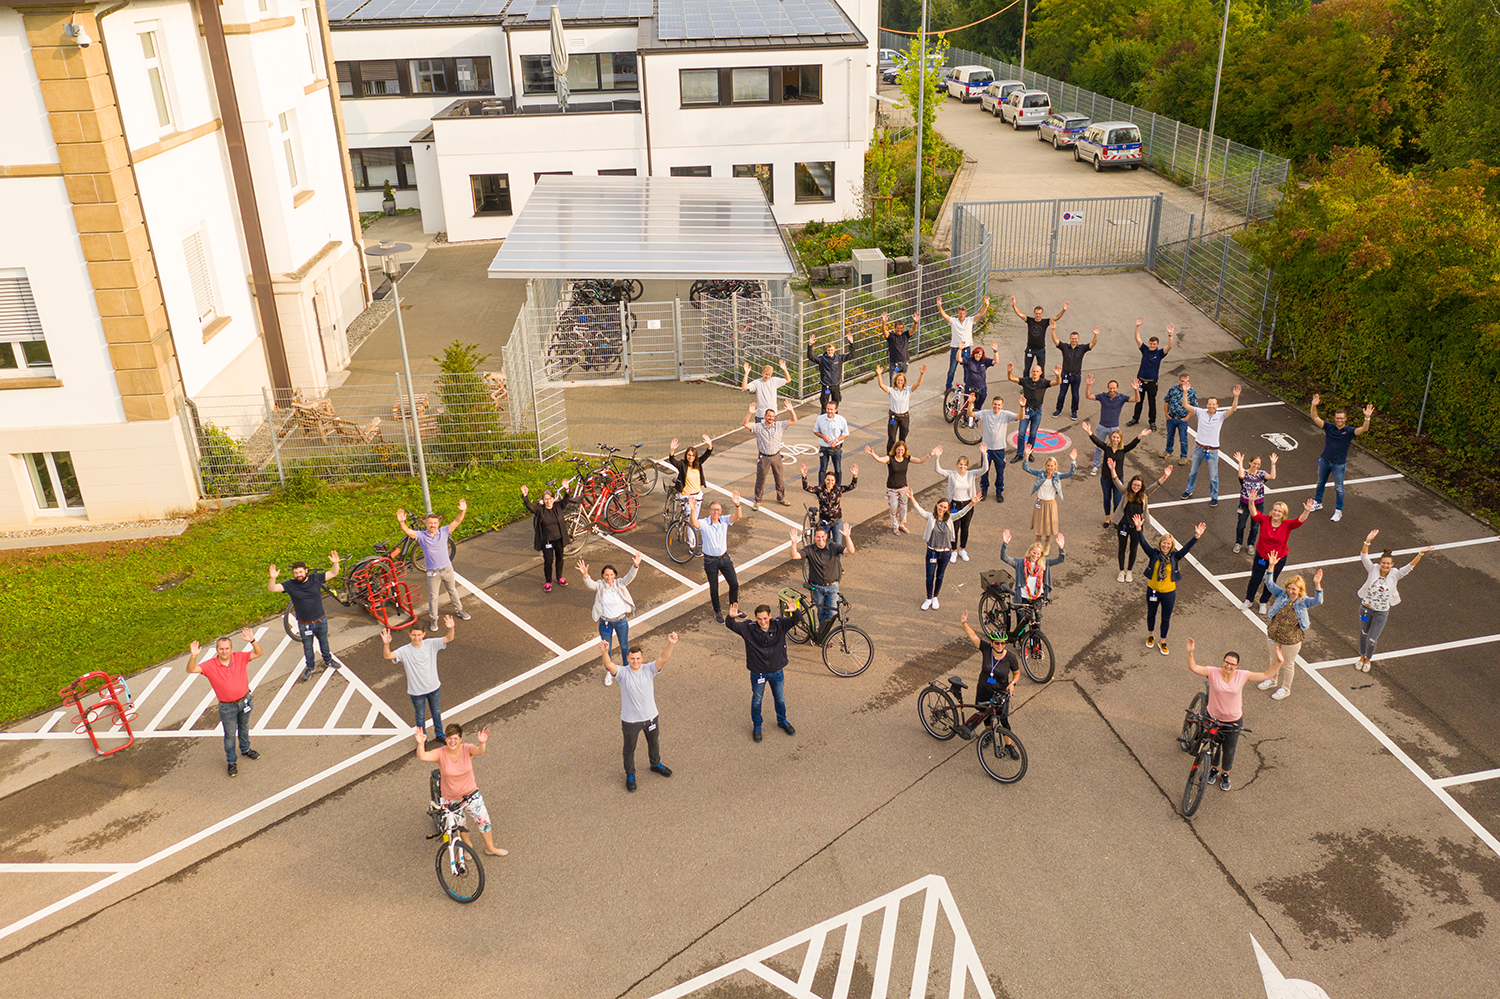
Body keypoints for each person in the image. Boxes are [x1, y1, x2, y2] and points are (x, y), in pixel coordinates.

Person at [1184, 638, 1281, 791]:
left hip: (1233, 720)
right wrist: (1190, 653)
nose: (1228, 666)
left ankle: (1225, 774)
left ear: (1237, 666)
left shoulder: (1241, 675)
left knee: (1229, 749)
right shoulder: (1213, 672)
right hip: (1213, 718)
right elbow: (1194, 667)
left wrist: (1279, 663)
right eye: (1226, 662)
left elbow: (1265, 675)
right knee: (1214, 745)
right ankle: (1214, 769)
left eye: (1232, 664)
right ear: (1223, 661)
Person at [598, 632, 679, 791]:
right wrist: (604, 651)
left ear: (642, 659)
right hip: (630, 721)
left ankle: (655, 764)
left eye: (638, 658)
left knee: (654, 743)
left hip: (650, 717)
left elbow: (664, 659)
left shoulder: (649, 669)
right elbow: (608, 665)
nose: (635, 661)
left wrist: (671, 644)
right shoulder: (622, 673)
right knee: (629, 749)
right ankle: (630, 774)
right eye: (632, 658)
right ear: (627, 659)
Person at [413, 722, 506, 856]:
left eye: (455, 738)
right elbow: (422, 756)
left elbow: (480, 751)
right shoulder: (440, 753)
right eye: (450, 738)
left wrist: (482, 743)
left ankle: (490, 848)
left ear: (460, 739)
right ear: (446, 739)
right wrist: (420, 743)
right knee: (460, 826)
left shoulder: (467, 749)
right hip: (451, 798)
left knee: (484, 821)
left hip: (471, 794)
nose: (452, 741)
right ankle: (467, 847)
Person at [186, 629, 263, 777]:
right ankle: (231, 761)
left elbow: (259, 653)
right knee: (229, 735)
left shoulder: (240, 657)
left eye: (227, 648)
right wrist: (194, 656)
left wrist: (253, 641)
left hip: (245, 701)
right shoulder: (210, 665)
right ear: (217, 650)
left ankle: (246, 749)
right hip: (227, 707)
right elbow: (190, 669)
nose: (224, 651)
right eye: (221, 649)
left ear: (231, 649)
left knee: (244, 726)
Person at [725, 600, 803, 742]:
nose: (762, 622)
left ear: (770, 616)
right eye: (759, 619)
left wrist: (795, 610)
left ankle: (782, 720)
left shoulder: (779, 624)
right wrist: (731, 617)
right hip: (758, 672)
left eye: (765, 618)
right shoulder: (748, 628)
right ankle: (757, 725)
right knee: (757, 700)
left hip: (777, 671)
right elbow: (732, 625)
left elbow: (796, 619)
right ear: (755, 618)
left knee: (780, 698)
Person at [1355, 530, 1432, 672]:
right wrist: (1368, 541)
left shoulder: (1395, 574)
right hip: (1365, 609)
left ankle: (1368, 659)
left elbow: (1409, 567)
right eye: (1383, 563)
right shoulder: (1373, 569)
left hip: (1381, 613)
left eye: (1388, 564)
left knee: (1372, 638)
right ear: (1380, 563)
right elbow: (1364, 556)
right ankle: (1361, 656)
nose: (1385, 566)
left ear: (1392, 564)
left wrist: (1420, 554)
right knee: (1363, 633)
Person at [1129, 515, 1205, 656]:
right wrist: (1139, 529)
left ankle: (1162, 641)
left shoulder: (1175, 557)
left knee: (1166, 617)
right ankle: (1151, 635)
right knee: (1151, 614)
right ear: (1160, 544)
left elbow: (1186, 549)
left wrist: (1196, 536)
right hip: (1153, 590)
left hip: (1169, 593)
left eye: (1168, 544)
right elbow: (1143, 543)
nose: (1166, 545)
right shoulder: (1153, 554)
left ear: (1172, 546)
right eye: (1164, 543)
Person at [956, 609, 1022, 756]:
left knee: (1003, 720)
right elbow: (973, 636)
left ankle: (1009, 746)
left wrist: (1013, 683)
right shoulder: (986, 649)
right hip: (984, 690)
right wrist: (964, 624)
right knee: (985, 715)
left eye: (1003, 643)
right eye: (997, 643)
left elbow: (1017, 673)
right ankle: (988, 735)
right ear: (991, 642)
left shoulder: (1010, 658)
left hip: (1000, 694)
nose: (1000, 646)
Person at [268, 552, 342, 682]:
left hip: (320, 620)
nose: (298, 575)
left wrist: (336, 563)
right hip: (304, 623)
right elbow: (272, 588)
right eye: (296, 573)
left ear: (306, 571)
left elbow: (333, 573)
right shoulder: (290, 585)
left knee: (324, 642)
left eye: (300, 572)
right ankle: (310, 667)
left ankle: (328, 660)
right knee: (308, 646)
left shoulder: (316, 578)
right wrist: (272, 578)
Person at [1256, 562, 1325, 701]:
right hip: (1274, 634)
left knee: (1288, 664)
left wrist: (1317, 585)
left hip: (1291, 640)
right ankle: (1272, 680)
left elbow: (1318, 601)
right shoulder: (1281, 594)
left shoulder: (1304, 601)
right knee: (1273, 659)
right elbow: (1269, 584)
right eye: (1289, 588)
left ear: (1300, 590)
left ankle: (1285, 688)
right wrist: (1271, 567)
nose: (1291, 591)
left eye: (1294, 589)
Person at [383, 615, 455, 746]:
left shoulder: (431, 644)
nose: (416, 638)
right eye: (414, 635)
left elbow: (449, 638)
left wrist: (451, 628)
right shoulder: (404, 650)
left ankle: (440, 734)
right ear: (409, 635)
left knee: (436, 712)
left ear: (424, 634)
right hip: (417, 692)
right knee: (420, 717)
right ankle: (423, 740)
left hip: (433, 687)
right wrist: (386, 644)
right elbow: (388, 655)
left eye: (419, 635)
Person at [396, 502, 469, 630]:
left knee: (453, 590)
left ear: (438, 524)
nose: (432, 525)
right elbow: (408, 531)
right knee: (433, 596)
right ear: (426, 524)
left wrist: (463, 511)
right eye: (430, 523)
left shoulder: (444, 532)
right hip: (432, 572)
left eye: (435, 523)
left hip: (447, 569)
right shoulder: (421, 536)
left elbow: (457, 521)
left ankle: (460, 610)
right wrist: (402, 522)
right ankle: (434, 619)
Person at [578, 553, 643, 685]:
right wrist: (585, 574)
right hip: (605, 623)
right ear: (602, 575)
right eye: (606, 575)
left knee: (625, 646)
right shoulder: (600, 585)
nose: (609, 577)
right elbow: (590, 584)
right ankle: (610, 671)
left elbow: (629, 577)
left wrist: (635, 565)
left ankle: (626, 670)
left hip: (621, 621)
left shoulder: (619, 583)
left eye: (611, 574)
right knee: (606, 649)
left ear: (615, 575)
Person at [1105, 457, 1172, 582]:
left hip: (1137, 527)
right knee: (1122, 548)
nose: (1136, 487)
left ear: (1142, 487)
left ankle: (1129, 571)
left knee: (1134, 548)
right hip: (1124, 525)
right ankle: (1121, 571)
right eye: (1134, 485)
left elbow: (1156, 485)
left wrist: (1165, 476)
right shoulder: (1126, 492)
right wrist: (1112, 469)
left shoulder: (1144, 494)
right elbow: (1116, 481)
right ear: (1131, 484)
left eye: (1138, 485)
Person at [1242, 498, 1315, 613]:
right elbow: (1254, 513)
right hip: (1262, 558)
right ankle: (1249, 599)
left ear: (1283, 514)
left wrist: (1306, 511)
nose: (1276, 513)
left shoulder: (1287, 524)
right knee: (1255, 579)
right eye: (1275, 510)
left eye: (1279, 511)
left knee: (1270, 581)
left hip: (1277, 560)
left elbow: (1299, 521)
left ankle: (1263, 602)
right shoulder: (1265, 520)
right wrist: (1251, 502)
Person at [1310, 394, 1374, 522]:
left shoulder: (1349, 432)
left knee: (1339, 488)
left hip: (1338, 464)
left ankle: (1338, 511)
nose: (1339, 420)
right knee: (1320, 483)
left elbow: (1363, 429)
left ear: (1345, 419)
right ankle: (1317, 502)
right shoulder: (1329, 427)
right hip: (1324, 461)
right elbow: (1315, 417)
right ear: (1334, 418)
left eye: (1341, 418)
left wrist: (1367, 417)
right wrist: (1314, 405)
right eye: (1337, 418)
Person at [906, 488, 970, 610]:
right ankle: (928, 598)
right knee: (929, 576)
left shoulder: (950, 519)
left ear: (948, 510)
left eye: (945, 508)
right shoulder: (930, 517)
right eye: (941, 506)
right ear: (937, 505)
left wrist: (972, 503)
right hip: (932, 552)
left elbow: (962, 513)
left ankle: (935, 597)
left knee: (940, 575)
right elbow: (919, 510)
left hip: (945, 553)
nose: (942, 509)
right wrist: (911, 497)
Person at [1179, 385, 1242, 506]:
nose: (1211, 406)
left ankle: (1214, 496)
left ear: (1217, 406)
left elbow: (1233, 409)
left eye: (1214, 404)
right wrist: (1185, 392)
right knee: (1193, 471)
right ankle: (1189, 490)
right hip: (1199, 447)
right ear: (1206, 404)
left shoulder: (1221, 416)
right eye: (1209, 404)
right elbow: (1185, 405)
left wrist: (1236, 396)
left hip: (1212, 451)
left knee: (1213, 476)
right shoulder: (1200, 412)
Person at [1082, 421, 1151, 526]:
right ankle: (1107, 519)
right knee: (1106, 498)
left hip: (1118, 480)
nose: (1115, 439)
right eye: (1114, 437)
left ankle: (1116, 519)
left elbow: (1133, 444)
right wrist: (1089, 432)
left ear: (1120, 439)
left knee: (1118, 500)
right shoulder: (1107, 448)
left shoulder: (1123, 450)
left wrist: (1140, 436)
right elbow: (1097, 442)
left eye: (1117, 438)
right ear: (1111, 438)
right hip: (1105, 478)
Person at [789, 522, 853, 632]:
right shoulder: (809, 549)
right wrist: (794, 543)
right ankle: (822, 634)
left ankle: (822, 632)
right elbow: (794, 556)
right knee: (821, 611)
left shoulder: (833, 546)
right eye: (818, 537)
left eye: (823, 537)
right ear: (814, 537)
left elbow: (851, 550)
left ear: (826, 536)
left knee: (832, 613)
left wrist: (847, 537)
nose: (820, 539)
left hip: (833, 587)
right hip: (817, 588)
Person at [862, 440, 932, 534]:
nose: (900, 452)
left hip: (904, 488)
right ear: (895, 450)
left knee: (904, 508)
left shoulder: (907, 458)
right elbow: (879, 459)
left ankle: (902, 524)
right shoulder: (890, 458)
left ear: (905, 450)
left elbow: (920, 461)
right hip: (892, 488)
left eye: (902, 450)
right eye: (898, 450)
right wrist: (872, 453)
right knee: (893, 508)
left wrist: (929, 455)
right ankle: (895, 526)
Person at [932, 445, 986, 561]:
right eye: (961, 464)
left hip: (968, 504)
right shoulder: (952, 474)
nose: (963, 466)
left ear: (967, 466)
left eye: (965, 465)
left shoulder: (971, 474)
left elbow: (984, 469)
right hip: (954, 504)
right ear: (957, 464)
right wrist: (937, 457)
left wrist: (984, 454)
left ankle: (963, 549)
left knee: (965, 527)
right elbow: (938, 470)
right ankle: (954, 550)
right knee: (954, 528)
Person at [697, 492, 744, 623]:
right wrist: (693, 509)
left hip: (724, 558)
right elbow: (694, 523)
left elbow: (738, 516)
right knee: (714, 587)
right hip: (710, 560)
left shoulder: (724, 520)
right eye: (713, 510)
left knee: (734, 583)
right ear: (709, 511)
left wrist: (737, 504)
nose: (715, 512)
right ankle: (717, 611)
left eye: (718, 510)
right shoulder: (704, 523)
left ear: (721, 511)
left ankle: (733, 607)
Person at [1021, 447, 1078, 556]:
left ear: (1055, 466)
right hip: (1040, 502)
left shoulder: (1058, 476)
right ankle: (1037, 544)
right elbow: (1026, 468)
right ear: (1045, 466)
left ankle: (1047, 544)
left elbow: (1071, 473)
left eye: (1052, 466)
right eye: (1048, 465)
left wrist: (1073, 461)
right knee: (1038, 524)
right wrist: (1026, 456)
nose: (1050, 467)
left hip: (1051, 504)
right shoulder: (1040, 473)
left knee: (1049, 525)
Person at [1083, 374, 1142, 475]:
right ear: (1108, 388)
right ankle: (1096, 466)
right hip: (1102, 426)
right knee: (1098, 447)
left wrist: (1136, 390)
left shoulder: (1122, 397)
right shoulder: (1102, 396)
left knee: (1116, 448)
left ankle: (1113, 467)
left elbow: (1137, 400)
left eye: (1114, 388)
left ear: (1117, 388)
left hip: (1114, 428)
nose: (1112, 390)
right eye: (1110, 388)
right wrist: (1088, 385)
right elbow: (1088, 396)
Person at [520, 482, 573, 592]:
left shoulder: (558, 506)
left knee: (560, 558)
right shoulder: (540, 510)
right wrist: (525, 496)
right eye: (546, 499)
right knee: (548, 561)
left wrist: (567, 488)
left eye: (550, 498)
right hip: (547, 541)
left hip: (558, 539)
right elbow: (530, 506)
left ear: (553, 499)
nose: (548, 501)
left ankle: (559, 577)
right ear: (543, 501)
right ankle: (548, 581)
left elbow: (567, 499)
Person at [744, 401, 798, 506]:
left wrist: (791, 410)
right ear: (765, 416)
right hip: (764, 457)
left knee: (779, 478)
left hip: (776, 456)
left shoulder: (779, 425)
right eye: (769, 416)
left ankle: (781, 498)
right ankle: (758, 500)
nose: (771, 418)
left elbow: (794, 420)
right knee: (761, 479)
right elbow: (745, 424)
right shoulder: (758, 427)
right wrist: (750, 413)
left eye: (773, 416)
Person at [1007, 361, 1063, 460]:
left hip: (1037, 411)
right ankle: (1019, 454)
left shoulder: (1043, 382)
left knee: (1033, 434)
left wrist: (1058, 376)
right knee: (1021, 433)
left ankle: (1029, 453)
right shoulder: (1026, 381)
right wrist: (1009, 372)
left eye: (1037, 371)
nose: (1035, 373)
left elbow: (1057, 382)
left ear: (1040, 373)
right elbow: (1011, 378)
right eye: (1033, 371)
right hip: (1026, 410)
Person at [938, 294, 991, 393]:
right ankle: (948, 387)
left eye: (963, 313)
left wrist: (986, 305)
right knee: (952, 369)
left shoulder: (970, 321)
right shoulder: (953, 321)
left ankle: (968, 387)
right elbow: (944, 315)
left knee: (967, 370)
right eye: (960, 313)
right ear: (957, 314)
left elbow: (980, 314)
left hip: (966, 349)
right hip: (955, 349)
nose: (961, 315)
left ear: (966, 314)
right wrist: (939, 306)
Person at [665, 434, 714, 541]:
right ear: (686, 455)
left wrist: (709, 444)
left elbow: (707, 453)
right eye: (689, 455)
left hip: (698, 495)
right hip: (687, 497)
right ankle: (692, 545)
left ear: (695, 456)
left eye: (692, 455)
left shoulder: (698, 463)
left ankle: (691, 540)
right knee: (692, 522)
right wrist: (672, 450)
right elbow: (672, 461)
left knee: (694, 520)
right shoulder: (682, 465)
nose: (690, 457)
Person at [800, 463, 859, 550]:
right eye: (828, 480)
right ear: (824, 480)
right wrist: (804, 476)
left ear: (835, 481)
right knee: (823, 544)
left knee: (838, 546)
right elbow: (807, 488)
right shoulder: (820, 490)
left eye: (832, 480)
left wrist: (855, 476)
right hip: (824, 522)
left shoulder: (838, 489)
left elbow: (851, 486)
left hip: (837, 521)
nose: (830, 482)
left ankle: (837, 562)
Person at [1128, 320, 1174, 429]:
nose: (1152, 345)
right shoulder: (1145, 350)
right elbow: (1137, 338)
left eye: (1154, 344)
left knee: (1152, 403)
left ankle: (1152, 422)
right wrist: (1136, 326)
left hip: (1152, 383)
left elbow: (1170, 346)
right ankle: (1135, 418)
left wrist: (1170, 334)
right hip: (1141, 382)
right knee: (1138, 401)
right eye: (1151, 343)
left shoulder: (1159, 354)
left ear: (1157, 345)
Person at [1000, 529, 1066, 602]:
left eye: (1038, 554)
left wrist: (1061, 548)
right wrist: (1005, 544)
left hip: (1037, 597)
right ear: (1030, 551)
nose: (1036, 556)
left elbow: (1060, 559)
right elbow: (1004, 557)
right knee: (1021, 613)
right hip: (1023, 597)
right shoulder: (1020, 563)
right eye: (1034, 553)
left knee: (1038, 614)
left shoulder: (1044, 563)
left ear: (1041, 555)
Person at [1008, 295, 1068, 375]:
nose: (1038, 315)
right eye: (1036, 313)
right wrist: (1014, 306)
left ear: (1042, 314)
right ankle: (1026, 386)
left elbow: (1056, 317)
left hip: (1040, 349)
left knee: (1041, 369)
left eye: (1039, 314)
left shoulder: (1045, 322)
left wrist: (1063, 310)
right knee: (1027, 369)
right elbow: (1020, 314)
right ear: (1034, 313)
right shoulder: (1030, 320)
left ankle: (1041, 386)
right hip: (1030, 349)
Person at [1231, 451, 1277, 554]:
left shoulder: (1261, 474)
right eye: (1254, 463)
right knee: (1241, 525)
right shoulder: (1245, 474)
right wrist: (1240, 462)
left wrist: (1273, 463)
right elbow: (1241, 475)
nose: (1256, 466)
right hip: (1244, 504)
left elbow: (1273, 477)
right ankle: (1238, 543)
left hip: (1258, 505)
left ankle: (1250, 544)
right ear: (1250, 463)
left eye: (1258, 464)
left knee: (1255, 527)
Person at [1050, 323, 1098, 420]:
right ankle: (1058, 410)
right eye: (1072, 338)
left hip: (1076, 376)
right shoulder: (1065, 347)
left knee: (1075, 395)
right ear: (1070, 339)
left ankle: (1074, 411)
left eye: (1075, 338)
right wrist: (1053, 330)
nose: (1074, 340)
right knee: (1061, 394)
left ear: (1078, 339)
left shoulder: (1082, 348)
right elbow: (1055, 341)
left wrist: (1096, 335)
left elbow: (1092, 344)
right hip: (1065, 376)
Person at [876, 363, 926, 451]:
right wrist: (879, 374)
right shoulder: (891, 390)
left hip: (904, 417)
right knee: (892, 438)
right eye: (898, 380)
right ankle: (890, 455)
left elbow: (918, 384)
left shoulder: (907, 390)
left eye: (901, 380)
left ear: (904, 381)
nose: (900, 382)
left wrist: (921, 374)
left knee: (903, 438)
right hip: (894, 417)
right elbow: (881, 385)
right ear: (895, 381)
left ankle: (902, 454)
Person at [979, 394, 1018, 503]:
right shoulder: (986, 413)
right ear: (992, 404)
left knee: (1000, 473)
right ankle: (984, 490)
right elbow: (970, 414)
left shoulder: (1006, 415)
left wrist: (1022, 407)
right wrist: (971, 402)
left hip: (999, 450)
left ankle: (999, 492)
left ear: (1002, 405)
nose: (997, 406)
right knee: (984, 471)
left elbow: (1020, 417)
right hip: (986, 449)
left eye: (999, 405)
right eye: (995, 404)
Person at [807, 331, 855, 408]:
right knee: (824, 405)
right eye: (829, 350)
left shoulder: (839, 358)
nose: (830, 352)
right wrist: (810, 345)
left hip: (835, 385)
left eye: (832, 350)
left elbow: (851, 355)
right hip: (826, 385)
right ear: (827, 350)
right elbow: (810, 356)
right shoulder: (822, 359)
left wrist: (851, 343)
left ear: (834, 350)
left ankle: (835, 418)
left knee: (835, 404)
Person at [1162, 373, 1197, 465]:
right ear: (1179, 381)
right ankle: (1168, 451)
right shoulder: (1173, 389)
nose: (1185, 383)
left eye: (1187, 381)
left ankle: (1184, 456)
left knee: (1183, 438)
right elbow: (1166, 401)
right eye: (1183, 381)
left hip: (1182, 419)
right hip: (1171, 418)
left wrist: (1187, 418)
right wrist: (1166, 413)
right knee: (1170, 435)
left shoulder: (1192, 392)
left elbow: (1194, 407)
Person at [813, 399, 850, 482]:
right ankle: (821, 488)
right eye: (828, 409)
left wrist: (836, 440)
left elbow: (845, 433)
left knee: (838, 469)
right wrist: (823, 436)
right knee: (822, 469)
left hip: (836, 448)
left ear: (836, 410)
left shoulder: (841, 420)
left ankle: (838, 488)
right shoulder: (820, 419)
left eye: (831, 409)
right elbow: (815, 431)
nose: (829, 411)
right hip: (824, 448)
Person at [958, 342, 999, 417]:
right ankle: (965, 419)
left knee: (979, 405)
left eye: (980, 354)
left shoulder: (985, 361)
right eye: (976, 354)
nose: (978, 355)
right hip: (970, 387)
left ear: (982, 355)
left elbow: (995, 361)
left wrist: (995, 351)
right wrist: (960, 349)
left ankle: (975, 419)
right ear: (973, 354)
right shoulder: (969, 360)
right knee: (967, 406)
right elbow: (959, 359)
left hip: (981, 387)